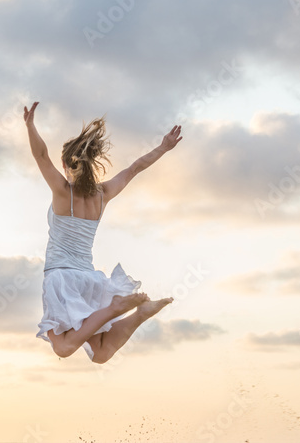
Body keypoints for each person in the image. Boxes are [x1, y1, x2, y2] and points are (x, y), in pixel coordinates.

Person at [24, 101, 182, 363]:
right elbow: (134, 168)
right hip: (90, 280)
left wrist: (30, 125)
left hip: (62, 278)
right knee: (100, 353)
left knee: (63, 349)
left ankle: (115, 308)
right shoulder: (103, 194)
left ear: (65, 164)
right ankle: (139, 314)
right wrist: (163, 148)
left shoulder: (63, 192)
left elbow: (41, 156)